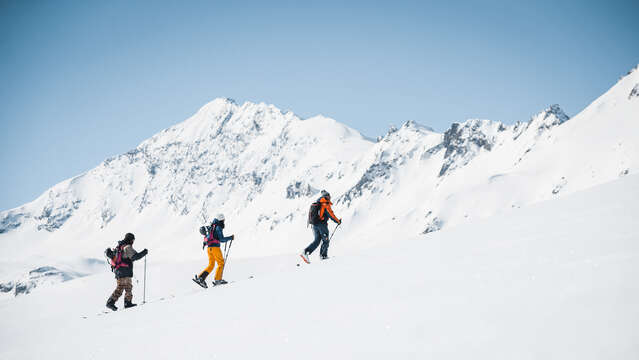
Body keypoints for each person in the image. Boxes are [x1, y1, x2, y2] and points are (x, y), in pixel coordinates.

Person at [106, 233, 148, 311]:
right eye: (133, 239)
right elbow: (135, 256)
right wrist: (144, 252)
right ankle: (112, 302)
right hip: (124, 270)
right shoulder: (127, 247)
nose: (133, 241)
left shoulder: (120, 246)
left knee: (125, 287)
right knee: (123, 287)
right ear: (130, 239)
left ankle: (125, 303)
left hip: (119, 270)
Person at [193, 214, 235, 288]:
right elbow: (221, 239)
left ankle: (201, 278)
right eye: (223, 220)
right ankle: (218, 280)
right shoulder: (218, 227)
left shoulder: (212, 226)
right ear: (221, 220)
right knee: (221, 263)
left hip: (209, 248)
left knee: (211, 265)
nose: (224, 221)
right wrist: (230, 238)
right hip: (215, 248)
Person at [301, 190, 341, 263]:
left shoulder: (318, 203)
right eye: (329, 196)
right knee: (326, 240)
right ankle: (323, 256)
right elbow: (331, 215)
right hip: (321, 225)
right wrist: (338, 221)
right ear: (326, 197)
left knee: (317, 240)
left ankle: (306, 252)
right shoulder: (325, 204)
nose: (330, 197)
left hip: (314, 225)